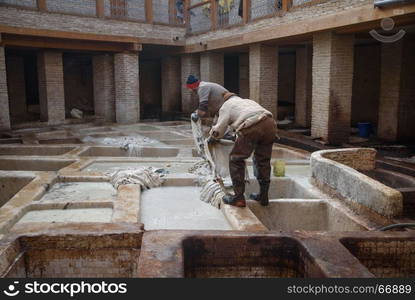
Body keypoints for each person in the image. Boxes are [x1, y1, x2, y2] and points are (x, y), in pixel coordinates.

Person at [209, 92, 277, 208]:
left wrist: (212, 137)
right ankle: (263, 196)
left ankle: (238, 198)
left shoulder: (227, 105)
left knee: (236, 159)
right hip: (270, 124)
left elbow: (218, 130)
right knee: (263, 161)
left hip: (252, 126)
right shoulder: (248, 101)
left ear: (225, 100)